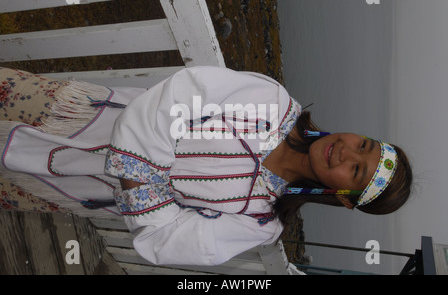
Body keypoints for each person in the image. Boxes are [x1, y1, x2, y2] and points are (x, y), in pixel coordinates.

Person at [0, 66, 412, 266]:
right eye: (364, 145)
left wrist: (139, 167)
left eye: (357, 171)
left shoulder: (260, 221)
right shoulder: (271, 102)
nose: (346, 151)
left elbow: (165, 241)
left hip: (69, 190)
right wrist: (146, 181)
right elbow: (178, 97)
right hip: (68, 111)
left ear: (344, 199)